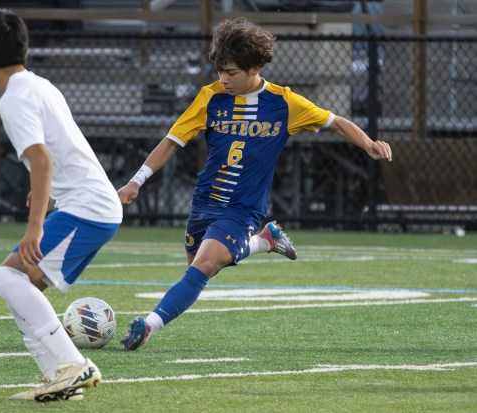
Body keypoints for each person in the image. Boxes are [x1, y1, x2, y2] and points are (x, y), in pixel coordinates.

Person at [118, 17, 392, 351]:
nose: (223, 79)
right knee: (198, 266)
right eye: (220, 70)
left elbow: (336, 123)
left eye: (231, 72)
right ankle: (264, 241)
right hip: (205, 201)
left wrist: (369, 144)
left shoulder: (285, 103)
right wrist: (136, 182)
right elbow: (173, 140)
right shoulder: (210, 97)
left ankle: (147, 326)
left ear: (254, 68)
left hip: (243, 208)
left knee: (204, 265)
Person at [0, 9, 122, 402]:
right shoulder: (39, 85)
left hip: (87, 206)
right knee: (22, 284)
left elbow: (42, 160)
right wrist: (47, 195)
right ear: (26, 48)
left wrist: (35, 225)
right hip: (90, 204)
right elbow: (60, 150)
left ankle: (73, 366)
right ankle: (60, 376)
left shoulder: (13, 100)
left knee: (8, 278)